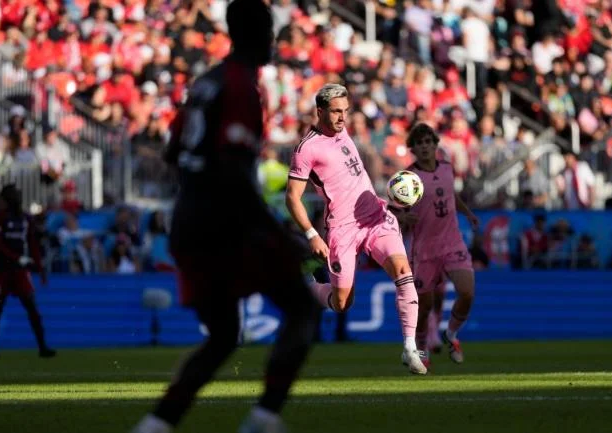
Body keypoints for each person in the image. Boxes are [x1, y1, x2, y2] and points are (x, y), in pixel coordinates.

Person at [131, 1, 320, 433]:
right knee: (302, 309)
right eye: (269, 32)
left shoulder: (207, 84)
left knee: (221, 336)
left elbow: (172, 151)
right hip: (224, 217)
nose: (273, 42)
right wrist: (276, 232)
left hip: (190, 216)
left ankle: (156, 425)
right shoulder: (240, 88)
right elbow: (234, 172)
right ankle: (265, 417)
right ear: (256, 35)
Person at [286, 83, 427, 375]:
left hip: (376, 217)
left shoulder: (344, 132)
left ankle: (411, 348)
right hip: (342, 229)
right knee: (341, 303)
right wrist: (312, 234)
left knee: (403, 272)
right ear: (320, 111)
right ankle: (308, 286)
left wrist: (394, 202)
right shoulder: (307, 149)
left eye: (345, 112)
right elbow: (291, 198)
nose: (342, 118)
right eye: (336, 112)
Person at [392, 123, 479, 368]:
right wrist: (403, 217)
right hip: (424, 249)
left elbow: (452, 196)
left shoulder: (447, 169)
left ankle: (450, 334)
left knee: (467, 292)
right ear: (413, 148)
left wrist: (468, 213)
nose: (425, 147)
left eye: (428, 142)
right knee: (425, 305)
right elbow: (391, 209)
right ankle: (421, 348)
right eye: (419, 143)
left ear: (435, 144)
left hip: (452, 242)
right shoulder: (407, 178)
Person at [0, 184, 55, 359]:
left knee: (32, 307)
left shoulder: (25, 219)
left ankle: (42, 347)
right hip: (1, 270)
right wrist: (18, 258)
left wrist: (40, 270)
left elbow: (32, 244)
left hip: (19, 272)